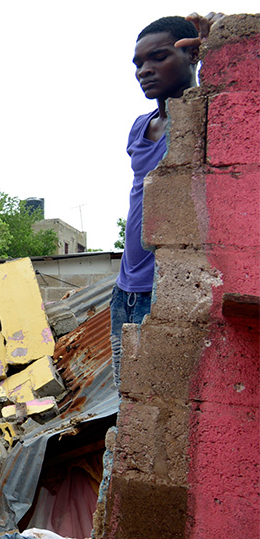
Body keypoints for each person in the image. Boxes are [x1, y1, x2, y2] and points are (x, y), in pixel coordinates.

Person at [110, 13, 221, 388]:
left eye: (159, 57)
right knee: (128, 394)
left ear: (192, 55)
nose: (145, 70)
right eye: (139, 63)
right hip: (127, 287)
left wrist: (218, 44)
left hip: (169, 285)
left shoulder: (206, 114)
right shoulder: (140, 127)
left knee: (165, 392)